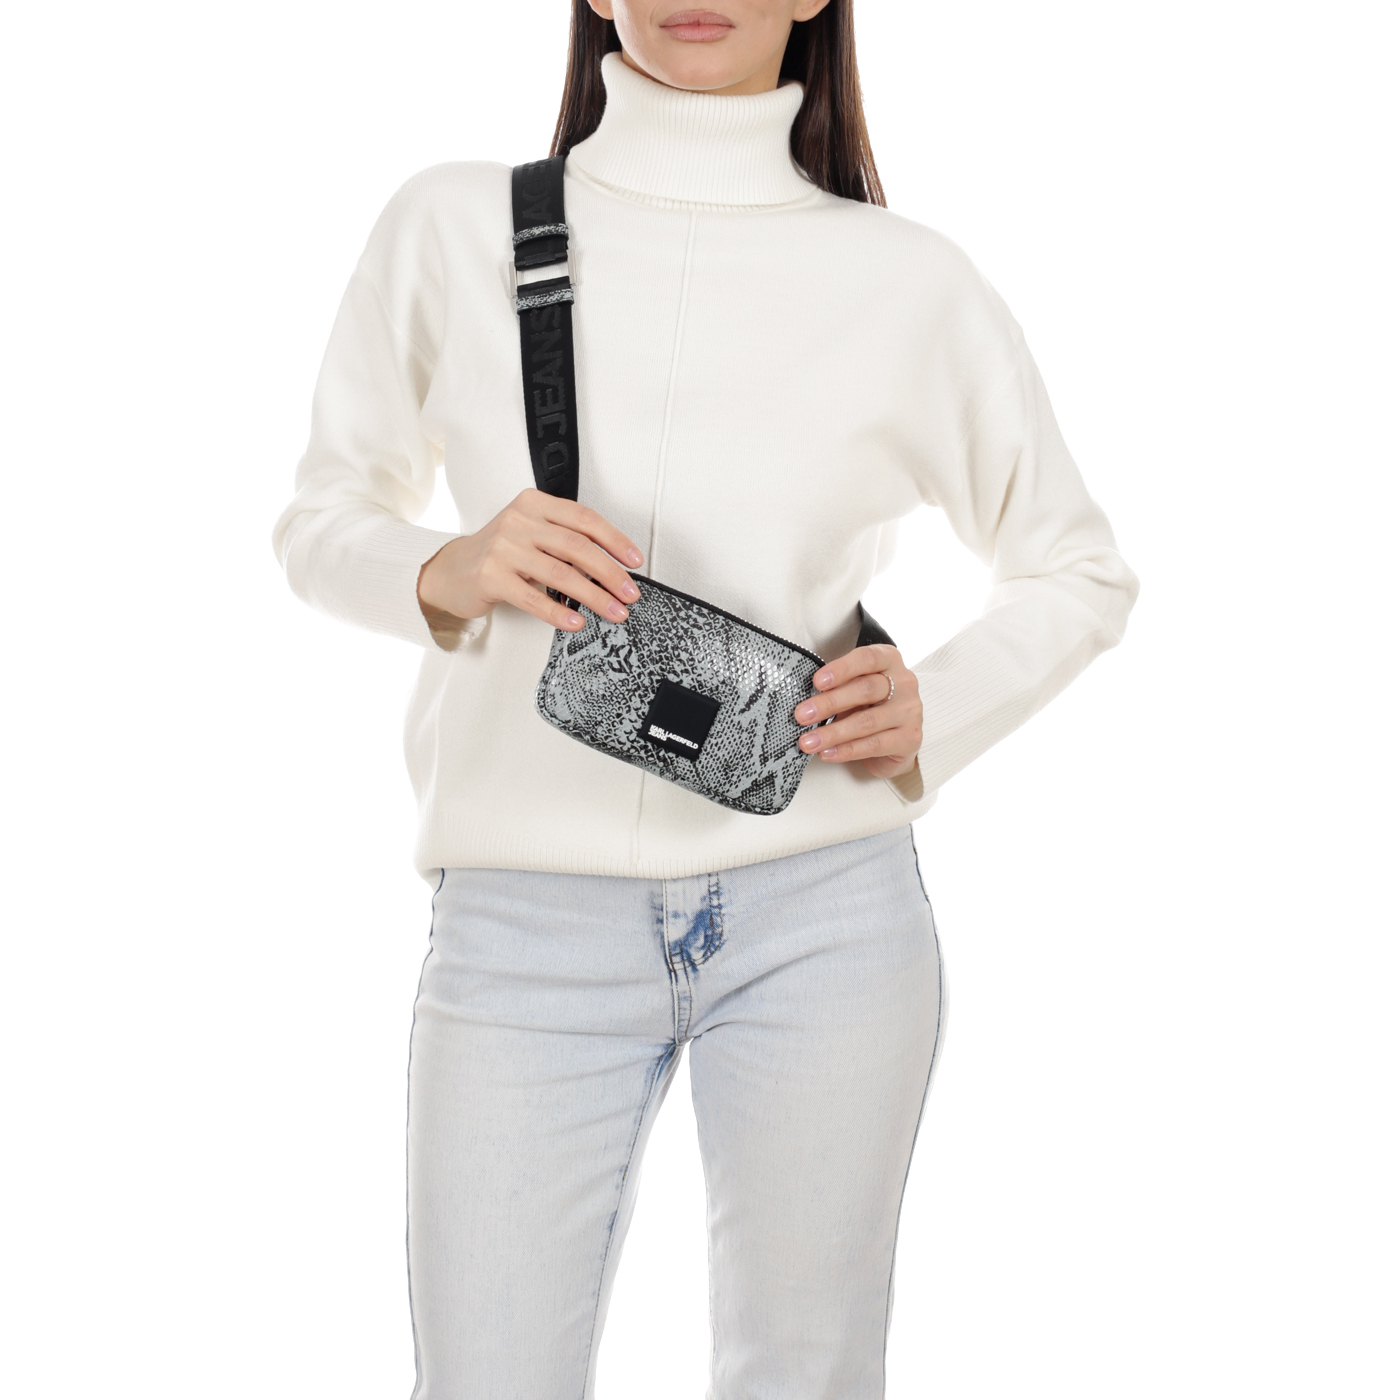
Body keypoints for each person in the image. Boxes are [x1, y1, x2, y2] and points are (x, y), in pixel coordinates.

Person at [271, 2, 1139, 1394]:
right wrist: (447, 565)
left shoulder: (907, 281)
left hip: (823, 912)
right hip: (522, 926)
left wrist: (937, 707)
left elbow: (1078, 569)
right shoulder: (453, 225)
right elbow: (321, 517)